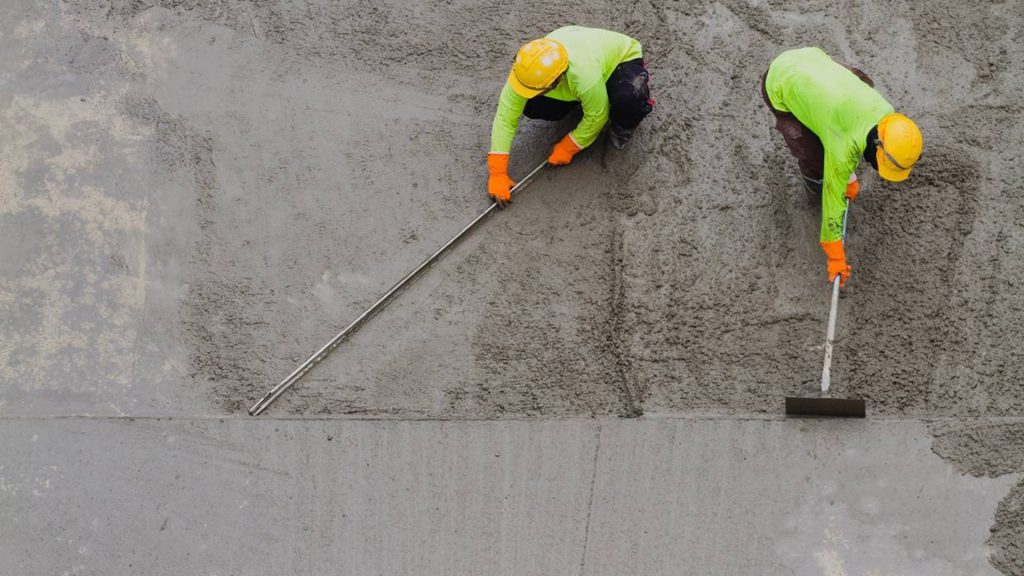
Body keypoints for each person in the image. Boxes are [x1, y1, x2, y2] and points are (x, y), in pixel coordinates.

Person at [762, 47, 923, 287]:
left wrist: (848, 176)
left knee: (860, 82)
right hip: (780, 82)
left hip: (811, 60)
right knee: (814, 155)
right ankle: (812, 182)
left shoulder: (885, 111)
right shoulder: (841, 151)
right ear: (877, 147)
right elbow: (833, 198)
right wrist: (835, 254)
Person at [487, 26, 655, 207]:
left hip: (620, 61)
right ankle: (585, 99)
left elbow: (597, 116)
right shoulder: (526, 70)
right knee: (531, 105)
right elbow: (505, 118)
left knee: (628, 98)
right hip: (580, 73)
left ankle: (624, 124)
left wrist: (569, 147)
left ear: (556, 81)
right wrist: (497, 172)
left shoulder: (583, 73)